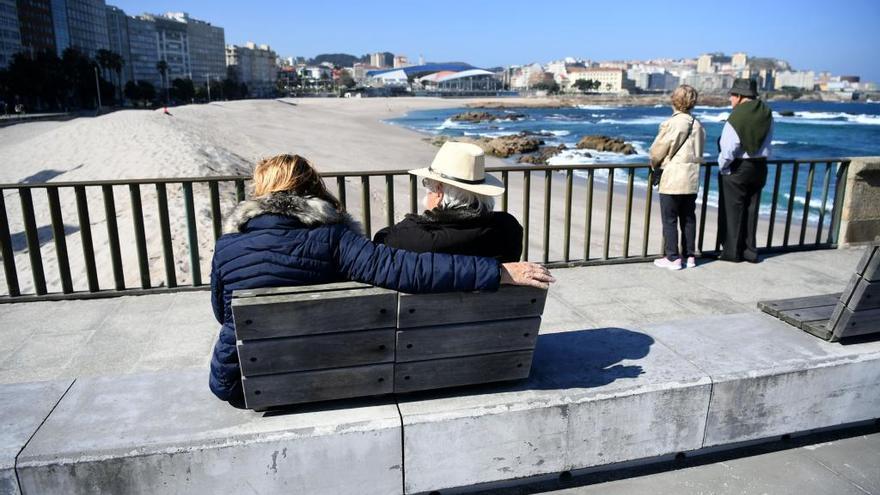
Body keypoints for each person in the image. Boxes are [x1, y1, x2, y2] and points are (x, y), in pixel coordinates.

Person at [209, 153, 554, 406]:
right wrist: (498, 271)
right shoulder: (335, 240)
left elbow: (222, 313)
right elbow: (408, 270)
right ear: (312, 191)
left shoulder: (227, 247)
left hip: (242, 381)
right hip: (334, 375)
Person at [373, 141, 523, 262]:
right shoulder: (508, 228)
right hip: (502, 301)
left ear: (439, 191)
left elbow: (381, 238)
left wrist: (419, 221)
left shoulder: (412, 239)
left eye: (427, 183)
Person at [649, 85, 706, 270]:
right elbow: (698, 154)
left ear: (674, 100)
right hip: (691, 177)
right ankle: (690, 256)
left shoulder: (673, 123)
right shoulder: (697, 125)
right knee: (688, 218)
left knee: (670, 219)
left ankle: (673, 257)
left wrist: (654, 163)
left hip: (673, 177)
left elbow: (658, 150)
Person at [717, 78, 774, 263]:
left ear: (740, 96)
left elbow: (729, 149)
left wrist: (724, 168)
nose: (730, 100)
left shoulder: (736, 117)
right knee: (751, 209)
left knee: (733, 211)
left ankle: (732, 253)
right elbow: (768, 139)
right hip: (760, 167)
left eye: (732, 96)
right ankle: (750, 251)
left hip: (739, 167)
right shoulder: (767, 113)